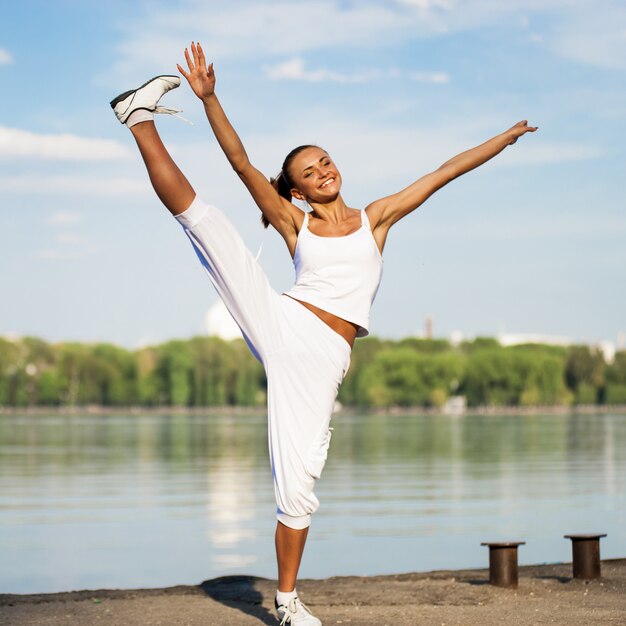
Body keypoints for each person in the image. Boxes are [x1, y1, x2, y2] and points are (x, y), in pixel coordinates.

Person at [110, 41, 537, 625]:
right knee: (207, 224)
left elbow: (445, 172)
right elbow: (241, 164)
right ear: (298, 191)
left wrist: (501, 140)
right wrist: (212, 100)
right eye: (309, 172)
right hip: (286, 321)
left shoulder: (376, 218)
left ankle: (285, 599)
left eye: (326, 161)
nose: (323, 172)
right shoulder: (295, 222)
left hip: (323, 358)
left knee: (300, 483)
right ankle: (138, 120)